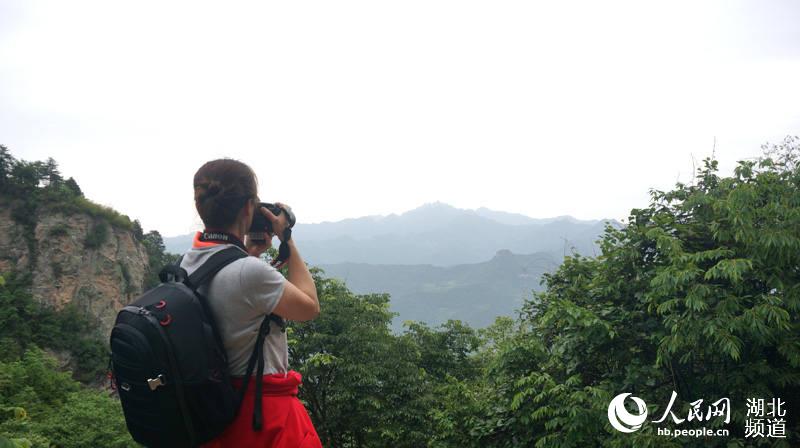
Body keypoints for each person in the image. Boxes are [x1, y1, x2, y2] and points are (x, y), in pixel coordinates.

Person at [180, 158, 323, 447]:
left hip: (216, 412)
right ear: (249, 208)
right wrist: (287, 238)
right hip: (262, 418)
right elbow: (309, 307)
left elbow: (230, 292)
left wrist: (250, 253)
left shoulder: (188, 262)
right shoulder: (251, 272)